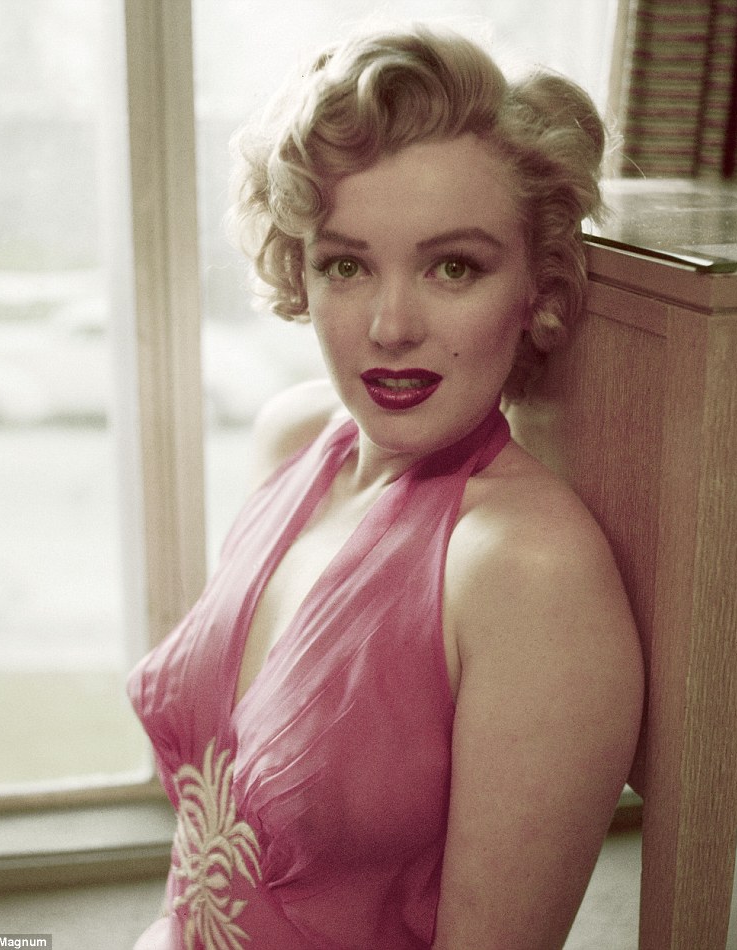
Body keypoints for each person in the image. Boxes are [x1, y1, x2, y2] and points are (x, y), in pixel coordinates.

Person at [129, 22, 643, 950]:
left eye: (454, 267)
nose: (392, 326)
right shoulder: (293, 440)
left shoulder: (528, 569)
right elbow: (206, 863)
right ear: (300, 270)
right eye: (347, 265)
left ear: (538, 287)